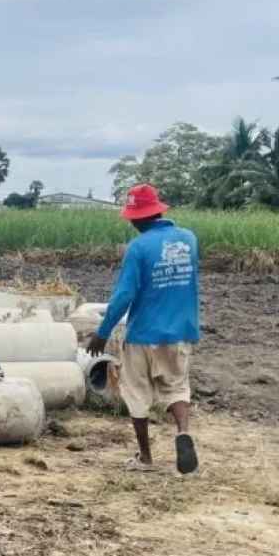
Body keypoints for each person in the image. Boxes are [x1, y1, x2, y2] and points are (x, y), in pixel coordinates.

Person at [87, 184, 200, 475]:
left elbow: (124, 295)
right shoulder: (189, 240)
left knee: (137, 393)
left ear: (142, 216)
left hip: (142, 333)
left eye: (134, 217)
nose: (132, 222)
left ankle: (146, 457)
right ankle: (183, 432)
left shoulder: (139, 247)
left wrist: (103, 332)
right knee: (176, 387)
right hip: (179, 331)